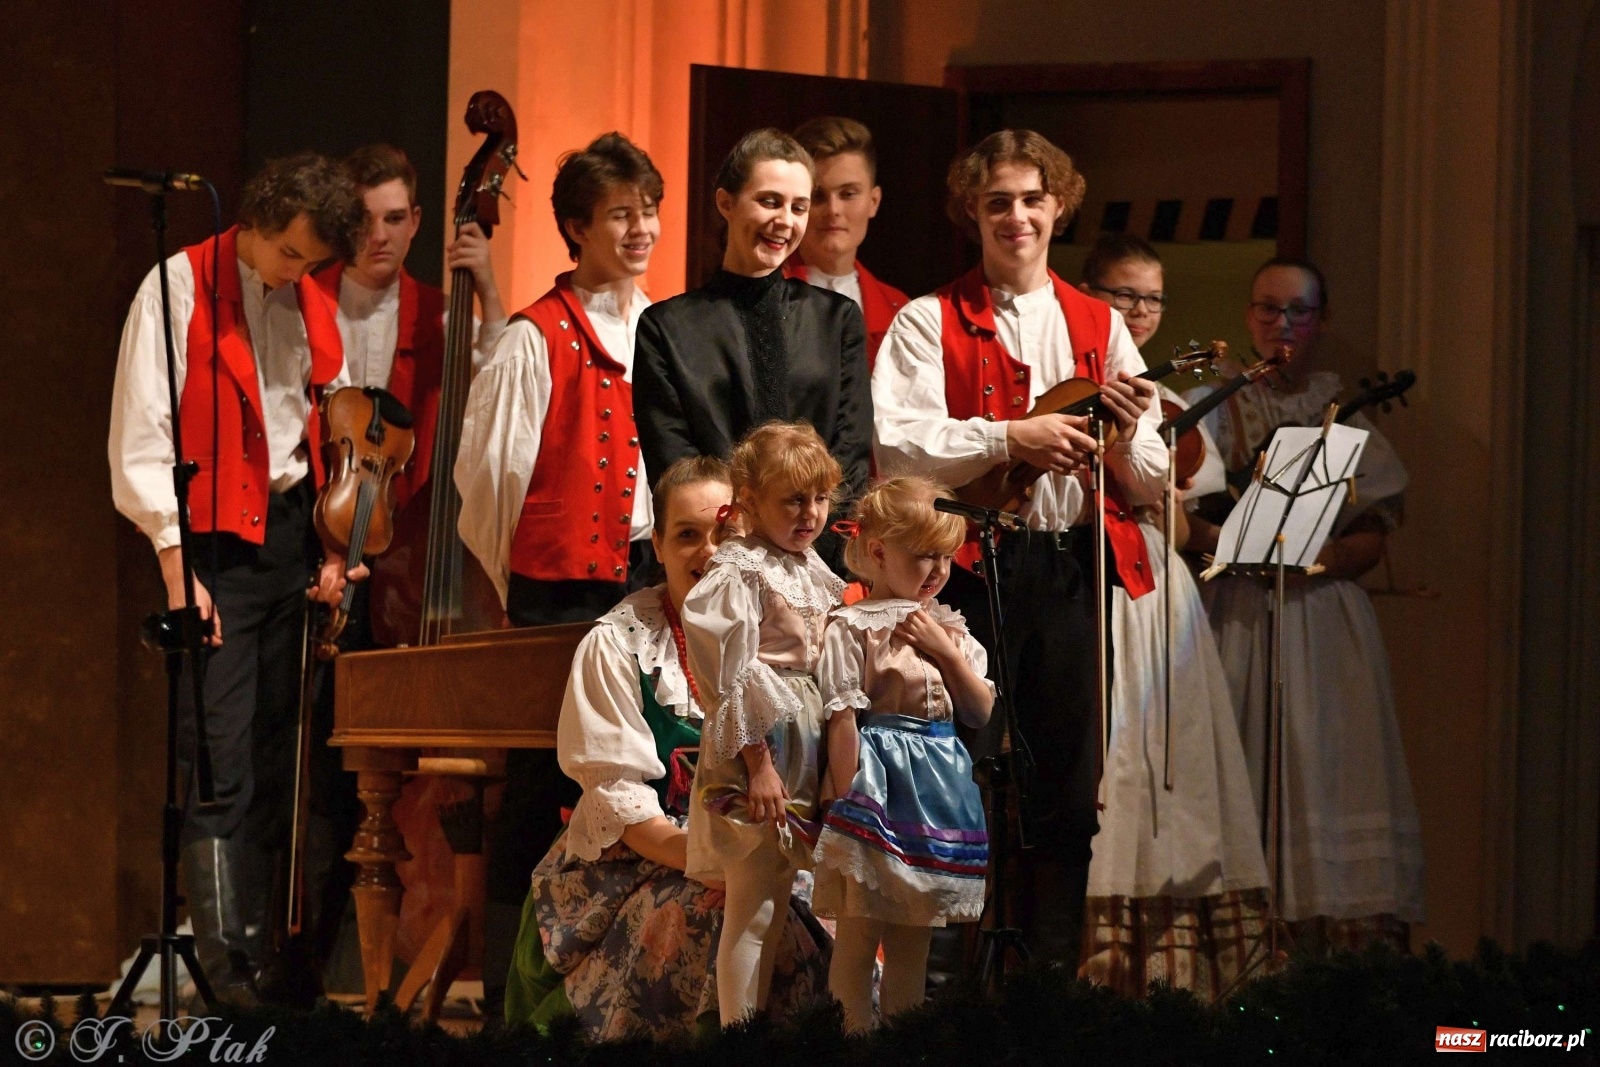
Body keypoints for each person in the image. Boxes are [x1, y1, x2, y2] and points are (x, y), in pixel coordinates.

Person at [873, 130, 1164, 964]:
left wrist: (1126, 431)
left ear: (1058, 205)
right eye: (998, 201)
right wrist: (1011, 436)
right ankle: (957, 991)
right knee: (965, 780)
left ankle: (1045, 992)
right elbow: (900, 446)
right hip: (970, 567)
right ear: (972, 211)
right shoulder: (929, 319)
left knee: (1067, 793)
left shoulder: (1098, 322)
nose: (1017, 216)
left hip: (1068, 567)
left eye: (1033, 199)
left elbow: (1145, 478)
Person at [108, 152, 366, 1005]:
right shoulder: (176, 287)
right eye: (290, 254)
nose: (299, 273)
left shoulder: (312, 297)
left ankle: (275, 963)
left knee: (280, 757)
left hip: (292, 539)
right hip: (212, 545)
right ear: (254, 221)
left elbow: (327, 435)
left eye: (311, 261)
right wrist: (180, 573)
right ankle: (227, 982)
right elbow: (140, 443)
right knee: (221, 763)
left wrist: (334, 547)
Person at [453, 131, 666, 1020]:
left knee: (632, 786)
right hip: (557, 596)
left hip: (641, 588)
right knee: (542, 783)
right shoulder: (532, 339)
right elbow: (489, 487)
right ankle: (509, 984)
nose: (641, 227)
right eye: (621, 213)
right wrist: (529, 592)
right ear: (577, 228)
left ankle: (609, 978)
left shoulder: (660, 327)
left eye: (648, 209)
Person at [505, 456, 829, 1038]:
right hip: (636, 861)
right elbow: (622, 803)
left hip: (754, 844)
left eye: (725, 534)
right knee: (700, 920)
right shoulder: (618, 646)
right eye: (687, 535)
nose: (709, 553)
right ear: (656, 543)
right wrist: (716, 863)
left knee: (833, 916)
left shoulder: (783, 642)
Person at [1191, 258, 1424, 951]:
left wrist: (1308, 560)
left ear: (1320, 321)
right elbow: (1181, 517)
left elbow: (1370, 536)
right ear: (1247, 315)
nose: (1281, 324)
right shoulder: (1213, 403)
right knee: (1243, 767)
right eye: (1267, 309)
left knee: (1324, 763)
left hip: (1320, 616)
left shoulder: (1337, 409)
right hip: (1236, 606)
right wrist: (1238, 543)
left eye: (1298, 311)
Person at [1074, 233, 1269, 999]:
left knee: (1171, 762)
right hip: (1095, 579)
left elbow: (1182, 527)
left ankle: (1171, 971)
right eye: (1123, 295)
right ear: (1092, 298)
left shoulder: (1174, 405)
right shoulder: (1077, 385)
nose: (1140, 311)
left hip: (1158, 588)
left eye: (1152, 297)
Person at [633, 128, 872, 573]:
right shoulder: (666, 327)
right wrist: (740, 548)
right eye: (769, 201)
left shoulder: (837, 319)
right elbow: (677, 467)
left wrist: (806, 552)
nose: (786, 220)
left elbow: (850, 457)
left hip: (818, 562)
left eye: (799, 207)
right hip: (715, 563)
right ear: (726, 203)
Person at [680, 422, 845, 1025]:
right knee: (750, 907)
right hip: (764, 745)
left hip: (803, 742)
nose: (811, 513)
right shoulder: (741, 569)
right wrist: (759, 765)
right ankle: (736, 1038)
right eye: (793, 500)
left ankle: (750, 1031)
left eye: (820, 498)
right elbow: (729, 675)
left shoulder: (804, 565)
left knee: (775, 904)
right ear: (749, 501)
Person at [814, 477, 992, 1032]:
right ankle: (851, 1042)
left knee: (915, 934)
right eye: (922, 557)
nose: (937, 570)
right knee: (861, 929)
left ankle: (903, 1043)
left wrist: (946, 653)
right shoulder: (853, 627)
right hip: (879, 784)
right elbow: (842, 715)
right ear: (878, 551)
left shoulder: (951, 629)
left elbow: (980, 712)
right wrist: (848, 802)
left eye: (946, 555)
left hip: (938, 792)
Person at [785, 116, 909, 368]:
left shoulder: (900, 310)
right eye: (817, 195)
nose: (833, 210)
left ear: (873, 201)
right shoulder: (756, 298)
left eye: (848, 194)